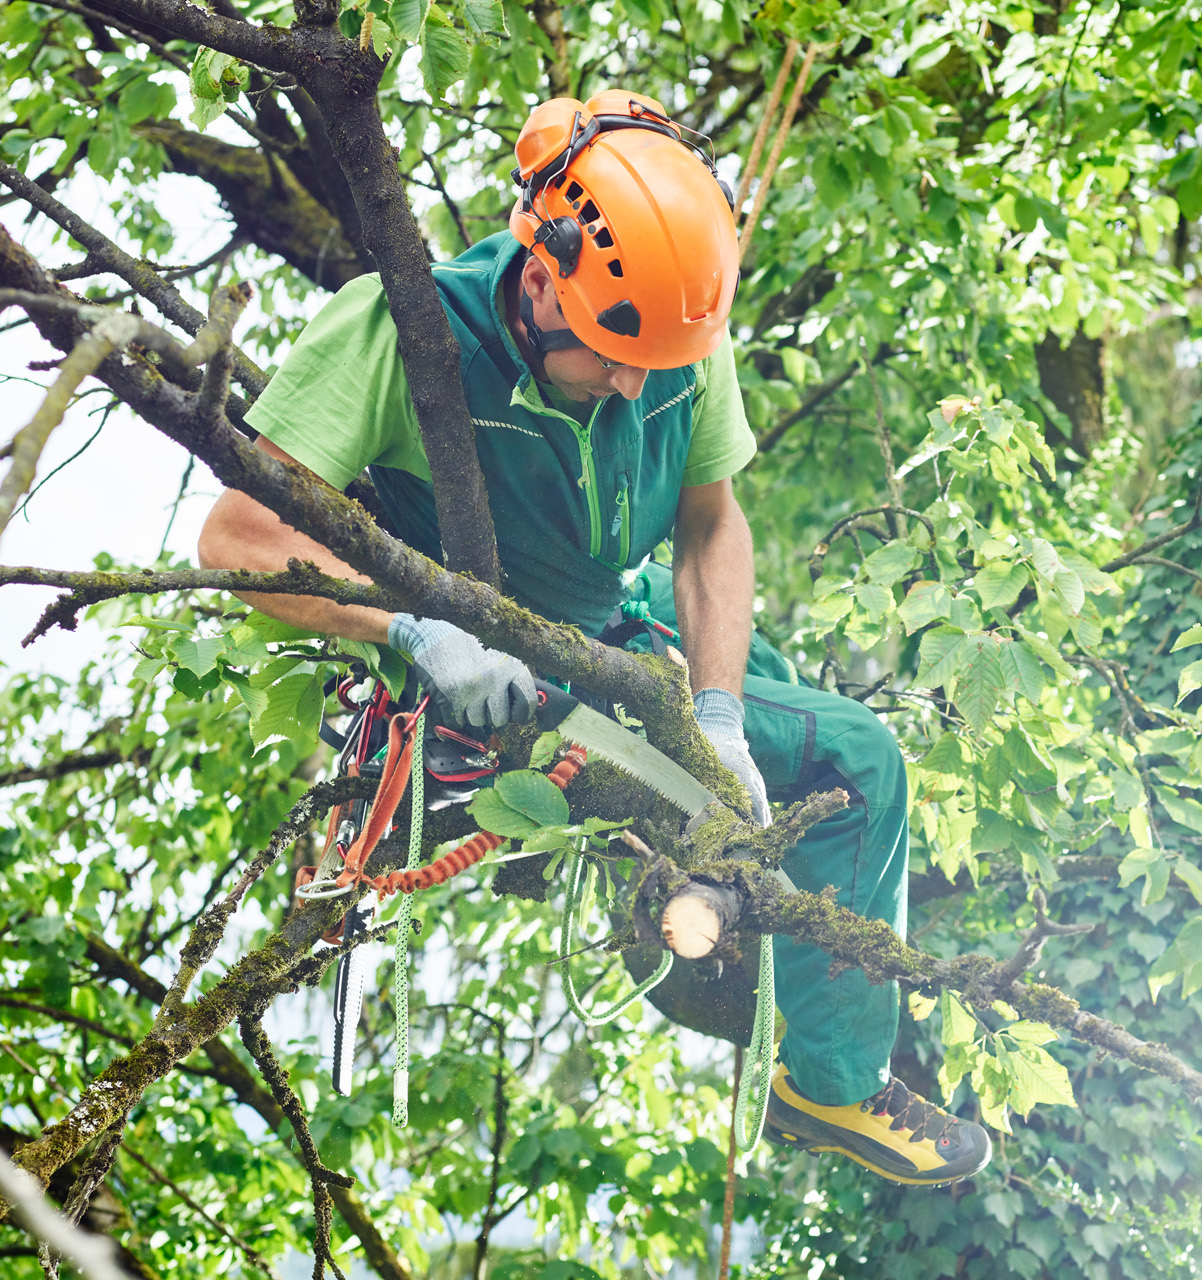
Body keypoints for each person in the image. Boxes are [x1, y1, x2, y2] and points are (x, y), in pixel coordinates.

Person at [197, 89, 989, 1187]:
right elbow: (241, 534)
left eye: (652, 364)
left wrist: (718, 711)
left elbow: (712, 525)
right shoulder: (401, 328)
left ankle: (803, 1034)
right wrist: (412, 627)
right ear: (539, 274)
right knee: (855, 758)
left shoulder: (671, 333)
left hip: (626, 634)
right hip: (487, 681)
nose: (632, 383)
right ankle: (835, 1081)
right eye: (610, 356)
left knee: (814, 740)